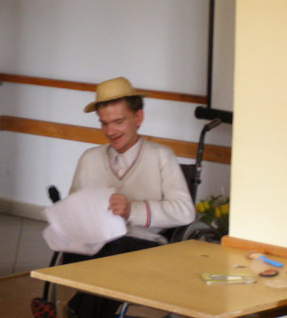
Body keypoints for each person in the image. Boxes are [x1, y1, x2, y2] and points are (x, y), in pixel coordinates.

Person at [64, 76, 195, 318]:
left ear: (138, 117)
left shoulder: (161, 156)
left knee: (109, 259)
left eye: (118, 122)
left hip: (142, 246)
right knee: (81, 255)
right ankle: (82, 309)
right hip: (94, 244)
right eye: (104, 123)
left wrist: (131, 210)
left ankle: (78, 310)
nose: (110, 132)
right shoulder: (89, 158)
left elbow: (185, 212)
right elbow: (73, 210)